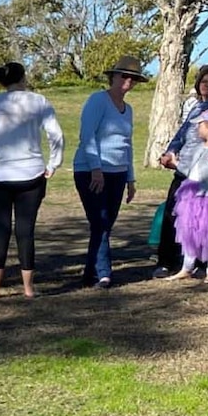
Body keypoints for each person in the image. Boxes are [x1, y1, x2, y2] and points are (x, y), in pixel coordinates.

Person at [0, 62, 64, 299]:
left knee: (0, 231)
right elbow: (56, 135)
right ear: (23, 78)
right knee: (26, 231)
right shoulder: (39, 101)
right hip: (31, 174)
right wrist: (53, 164)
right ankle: (28, 288)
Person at [73, 56, 146, 288]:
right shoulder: (98, 100)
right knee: (100, 221)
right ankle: (103, 272)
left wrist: (131, 178)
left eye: (133, 78)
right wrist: (96, 168)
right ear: (113, 77)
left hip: (118, 173)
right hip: (92, 171)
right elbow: (87, 135)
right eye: (124, 76)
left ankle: (90, 273)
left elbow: (128, 144)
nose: (128, 81)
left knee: (105, 224)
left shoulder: (129, 109)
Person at [155, 64, 208, 278]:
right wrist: (170, 151)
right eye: (203, 81)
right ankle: (168, 261)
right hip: (186, 169)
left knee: (207, 220)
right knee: (176, 215)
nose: (206, 85)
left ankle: (203, 264)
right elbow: (181, 133)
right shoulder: (197, 106)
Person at [167, 107, 208, 284]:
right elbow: (190, 170)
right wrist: (175, 164)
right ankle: (186, 267)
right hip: (191, 196)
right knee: (189, 231)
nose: (198, 129)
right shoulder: (198, 148)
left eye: (201, 125)